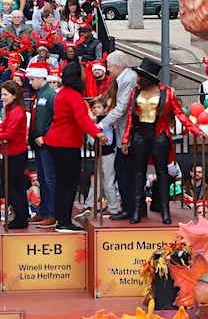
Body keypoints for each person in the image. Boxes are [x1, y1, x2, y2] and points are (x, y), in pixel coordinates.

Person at [120, 57, 203, 225]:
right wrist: (125, 139)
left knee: (162, 174)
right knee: (138, 174)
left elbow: (180, 113)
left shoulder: (167, 92)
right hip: (140, 136)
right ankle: (136, 211)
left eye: (139, 76)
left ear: (147, 77)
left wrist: (196, 130)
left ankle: (165, 211)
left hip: (159, 136)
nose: (137, 79)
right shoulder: (135, 92)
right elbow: (130, 116)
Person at [44, 62, 103, 232]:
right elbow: (82, 119)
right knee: (68, 183)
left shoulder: (63, 93)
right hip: (66, 143)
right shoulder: (73, 96)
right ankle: (64, 221)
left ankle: (60, 218)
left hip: (58, 142)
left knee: (62, 183)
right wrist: (96, 133)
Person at [99, 52, 137, 220]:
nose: (107, 69)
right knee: (126, 172)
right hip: (124, 130)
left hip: (128, 133)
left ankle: (129, 209)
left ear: (117, 66)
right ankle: (133, 208)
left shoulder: (127, 79)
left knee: (124, 172)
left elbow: (122, 108)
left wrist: (101, 124)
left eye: (109, 66)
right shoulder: (123, 79)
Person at [0, 79, 29, 229]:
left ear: (13, 95)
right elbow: (5, 125)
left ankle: (21, 217)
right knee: (13, 186)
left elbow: (9, 133)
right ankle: (21, 215)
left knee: (12, 187)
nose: (2, 97)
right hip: (12, 152)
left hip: (15, 153)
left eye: (5, 94)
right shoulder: (13, 109)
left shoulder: (16, 111)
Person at [26, 66, 58, 228]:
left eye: (32, 79)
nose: (30, 83)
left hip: (46, 143)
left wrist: (45, 136)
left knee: (49, 179)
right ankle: (44, 210)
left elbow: (57, 120)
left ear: (41, 78)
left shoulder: (51, 95)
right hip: (38, 143)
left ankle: (52, 213)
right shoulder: (39, 95)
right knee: (43, 179)